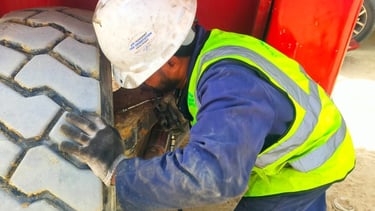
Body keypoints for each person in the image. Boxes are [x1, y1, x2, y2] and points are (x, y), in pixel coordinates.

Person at [59, 0, 356, 210]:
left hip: (306, 164)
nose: (143, 86)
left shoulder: (231, 85)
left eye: (142, 75)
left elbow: (214, 177)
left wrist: (117, 171)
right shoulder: (211, 53)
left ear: (171, 60)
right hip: (307, 140)